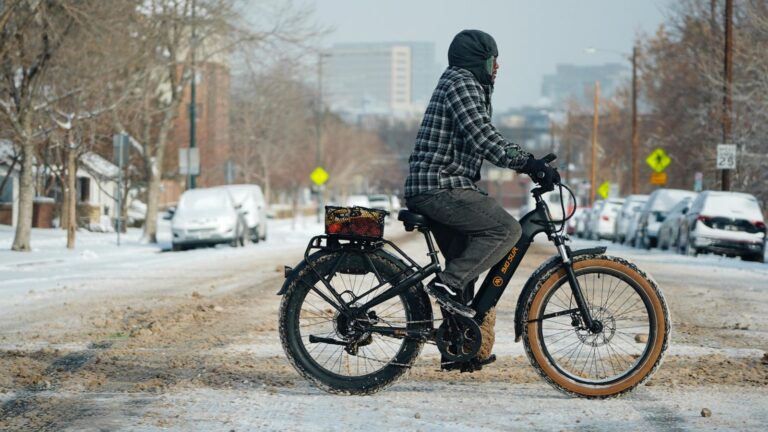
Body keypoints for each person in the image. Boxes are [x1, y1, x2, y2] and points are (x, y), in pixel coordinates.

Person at [404, 29, 559, 321]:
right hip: (439, 186)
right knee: (506, 230)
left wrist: (530, 163)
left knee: (465, 265)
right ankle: (445, 284)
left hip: (442, 185)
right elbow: (483, 137)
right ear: (478, 61)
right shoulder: (462, 83)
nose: (497, 67)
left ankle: (459, 347)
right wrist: (529, 163)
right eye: (493, 60)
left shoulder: (464, 83)